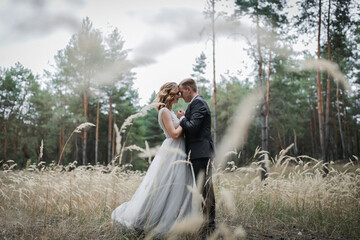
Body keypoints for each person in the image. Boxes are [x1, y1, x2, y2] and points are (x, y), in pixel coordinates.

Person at [111, 82, 197, 236]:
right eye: (177, 93)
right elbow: (175, 134)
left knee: (178, 187)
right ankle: (146, 219)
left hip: (180, 151)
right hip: (172, 151)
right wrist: (184, 120)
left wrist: (181, 119)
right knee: (163, 186)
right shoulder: (164, 111)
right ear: (169, 94)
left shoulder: (169, 111)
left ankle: (179, 220)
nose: (179, 96)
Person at [177, 78, 216, 236]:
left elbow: (192, 128)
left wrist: (181, 118)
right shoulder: (194, 104)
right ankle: (206, 223)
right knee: (202, 189)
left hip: (201, 153)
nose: (180, 96)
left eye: (181, 92)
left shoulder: (198, 102)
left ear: (188, 89)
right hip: (197, 153)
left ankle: (210, 226)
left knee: (205, 189)